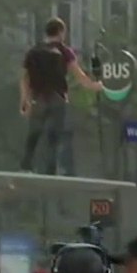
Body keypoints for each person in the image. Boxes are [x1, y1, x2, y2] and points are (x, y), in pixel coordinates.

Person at [18, 17, 102, 176]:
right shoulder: (65, 51)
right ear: (61, 32)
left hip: (38, 98)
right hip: (58, 98)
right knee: (53, 135)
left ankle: (25, 166)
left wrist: (25, 100)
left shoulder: (33, 51)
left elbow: (24, 78)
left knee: (34, 133)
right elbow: (80, 77)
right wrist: (96, 86)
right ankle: (50, 171)